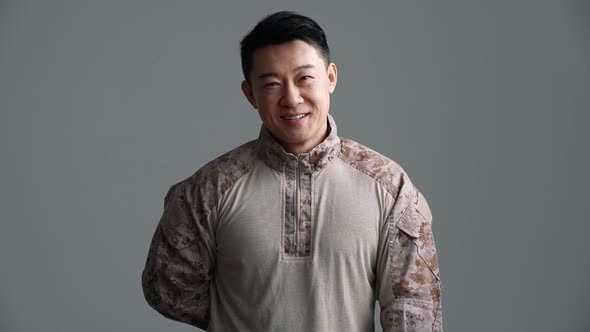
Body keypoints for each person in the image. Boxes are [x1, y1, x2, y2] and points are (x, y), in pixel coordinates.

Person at [141, 11, 443, 331]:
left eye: (304, 78)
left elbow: (416, 310)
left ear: (330, 78)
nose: (291, 98)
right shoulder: (209, 189)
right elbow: (168, 289)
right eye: (272, 84)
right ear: (250, 94)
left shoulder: (388, 186)